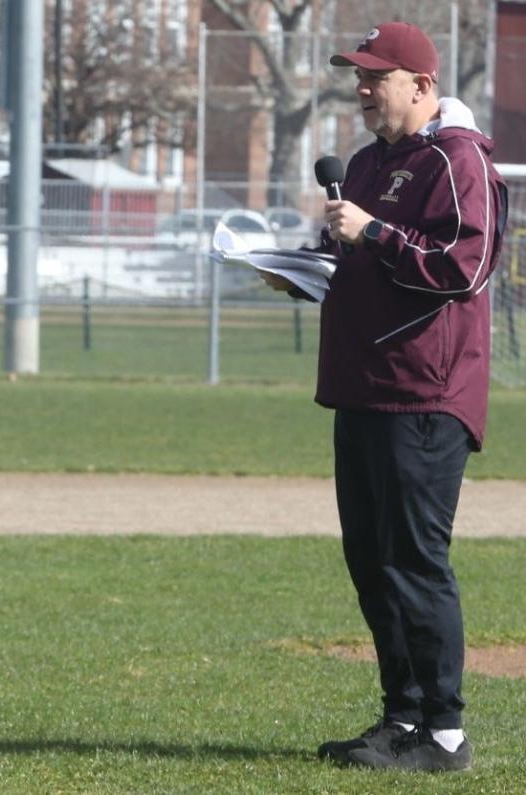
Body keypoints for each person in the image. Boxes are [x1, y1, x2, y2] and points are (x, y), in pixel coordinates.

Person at [262, 22, 507, 772]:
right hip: (364, 387)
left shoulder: (458, 159)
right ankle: (401, 717)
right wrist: (296, 268)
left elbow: (463, 267)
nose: (362, 90)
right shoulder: (369, 163)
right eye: (358, 77)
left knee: (413, 561)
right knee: (371, 561)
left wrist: (374, 234)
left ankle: (444, 732)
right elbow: (351, 256)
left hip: (425, 394)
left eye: (377, 77)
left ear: (422, 86)